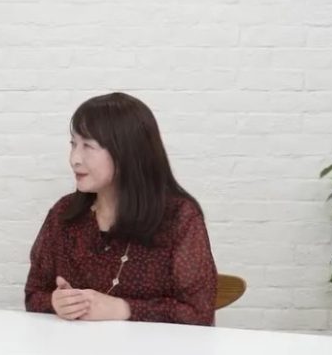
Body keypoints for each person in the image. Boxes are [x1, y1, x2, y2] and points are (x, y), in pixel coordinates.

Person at [24, 92, 217, 325]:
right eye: (73, 144)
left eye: (88, 146)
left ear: (126, 152)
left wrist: (123, 309)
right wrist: (55, 303)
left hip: (153, 348)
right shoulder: (65, 213)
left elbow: (199, 313)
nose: (74, 159)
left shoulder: (179, 217)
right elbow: (34, 294)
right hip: (74, 347)